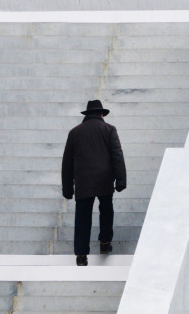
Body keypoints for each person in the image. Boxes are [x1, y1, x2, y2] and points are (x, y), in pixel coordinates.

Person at [61, 99, 127, 266]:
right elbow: (117, 156)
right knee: (106, 210)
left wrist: (67, 188)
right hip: (105, 180)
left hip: (83, 182)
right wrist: (121, 180)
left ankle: (81, 255)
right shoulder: (109, 130)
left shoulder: (74, 132)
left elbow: (67, 163)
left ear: (87, 115)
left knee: (83, 217)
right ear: (101, 114)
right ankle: (105, 242)